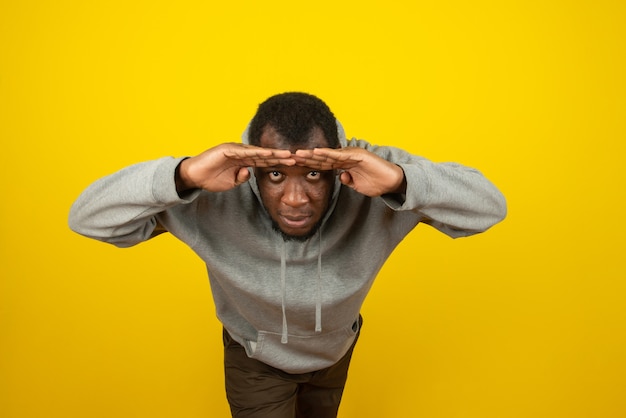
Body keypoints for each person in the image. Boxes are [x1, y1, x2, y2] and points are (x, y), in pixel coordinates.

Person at [68, 92, 507, 418]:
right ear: (253, 167)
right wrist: (182, 175)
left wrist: (398, 182)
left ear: (338, 166)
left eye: (314, 173)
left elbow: (488, 208)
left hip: (334, 351)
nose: (295, 197)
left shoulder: (372, 174)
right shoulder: (213, 188)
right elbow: (88, 218)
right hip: (255, 358)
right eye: (276, 174)